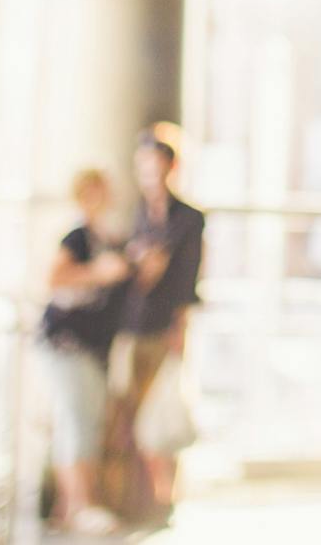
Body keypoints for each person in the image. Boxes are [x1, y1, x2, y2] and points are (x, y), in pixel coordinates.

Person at [111, 128, 204, 522]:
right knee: (132, 415)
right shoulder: (138, 215)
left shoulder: (188, 219)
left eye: (155, 163)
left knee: (162, 416)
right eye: (142, 165)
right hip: (133, 326)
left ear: (170, 165)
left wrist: (179, 329)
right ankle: (139, 499)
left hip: (165, 327)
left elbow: (186, 278)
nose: (148, 172)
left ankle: (164, 498)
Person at [39, 169, 130, 536]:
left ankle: (71, 504)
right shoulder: (77, 237)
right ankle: (78, 504)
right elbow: (55, 278)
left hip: (93, 347)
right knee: (76, 421)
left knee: (86, 420)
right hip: (67, 345)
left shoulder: (105, 238)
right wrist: (98, 273)